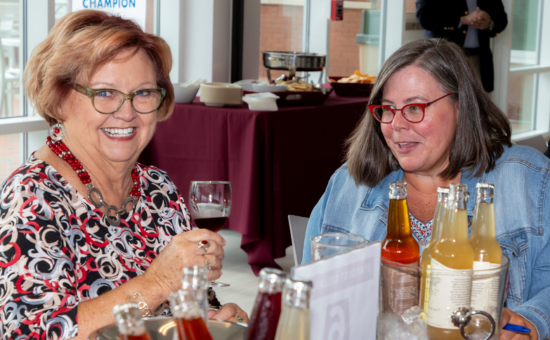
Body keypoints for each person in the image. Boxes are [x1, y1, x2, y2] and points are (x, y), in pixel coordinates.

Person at [0, 10, 247, 340]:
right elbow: (31, 334)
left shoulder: (157, 188)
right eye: (104, 93)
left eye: (143, 93)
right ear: (58, 99)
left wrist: (211, 317)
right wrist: (156, 283)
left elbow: (165, 305)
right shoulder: (32, 197)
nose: (128, 112)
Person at [303, 39, 549, 339]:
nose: (396, 125)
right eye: (388, 109)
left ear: (461, 106)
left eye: (415, 108)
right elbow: (306, 300)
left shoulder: (528, 181)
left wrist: (532, 321)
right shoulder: (349, 185)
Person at [416, 0, 507, 92]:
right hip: (443, 58)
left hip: (478, 60)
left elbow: (502, 20)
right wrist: (463, 20)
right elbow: (425, 18)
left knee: (481, 104)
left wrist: (490, 23)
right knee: (442, 99)